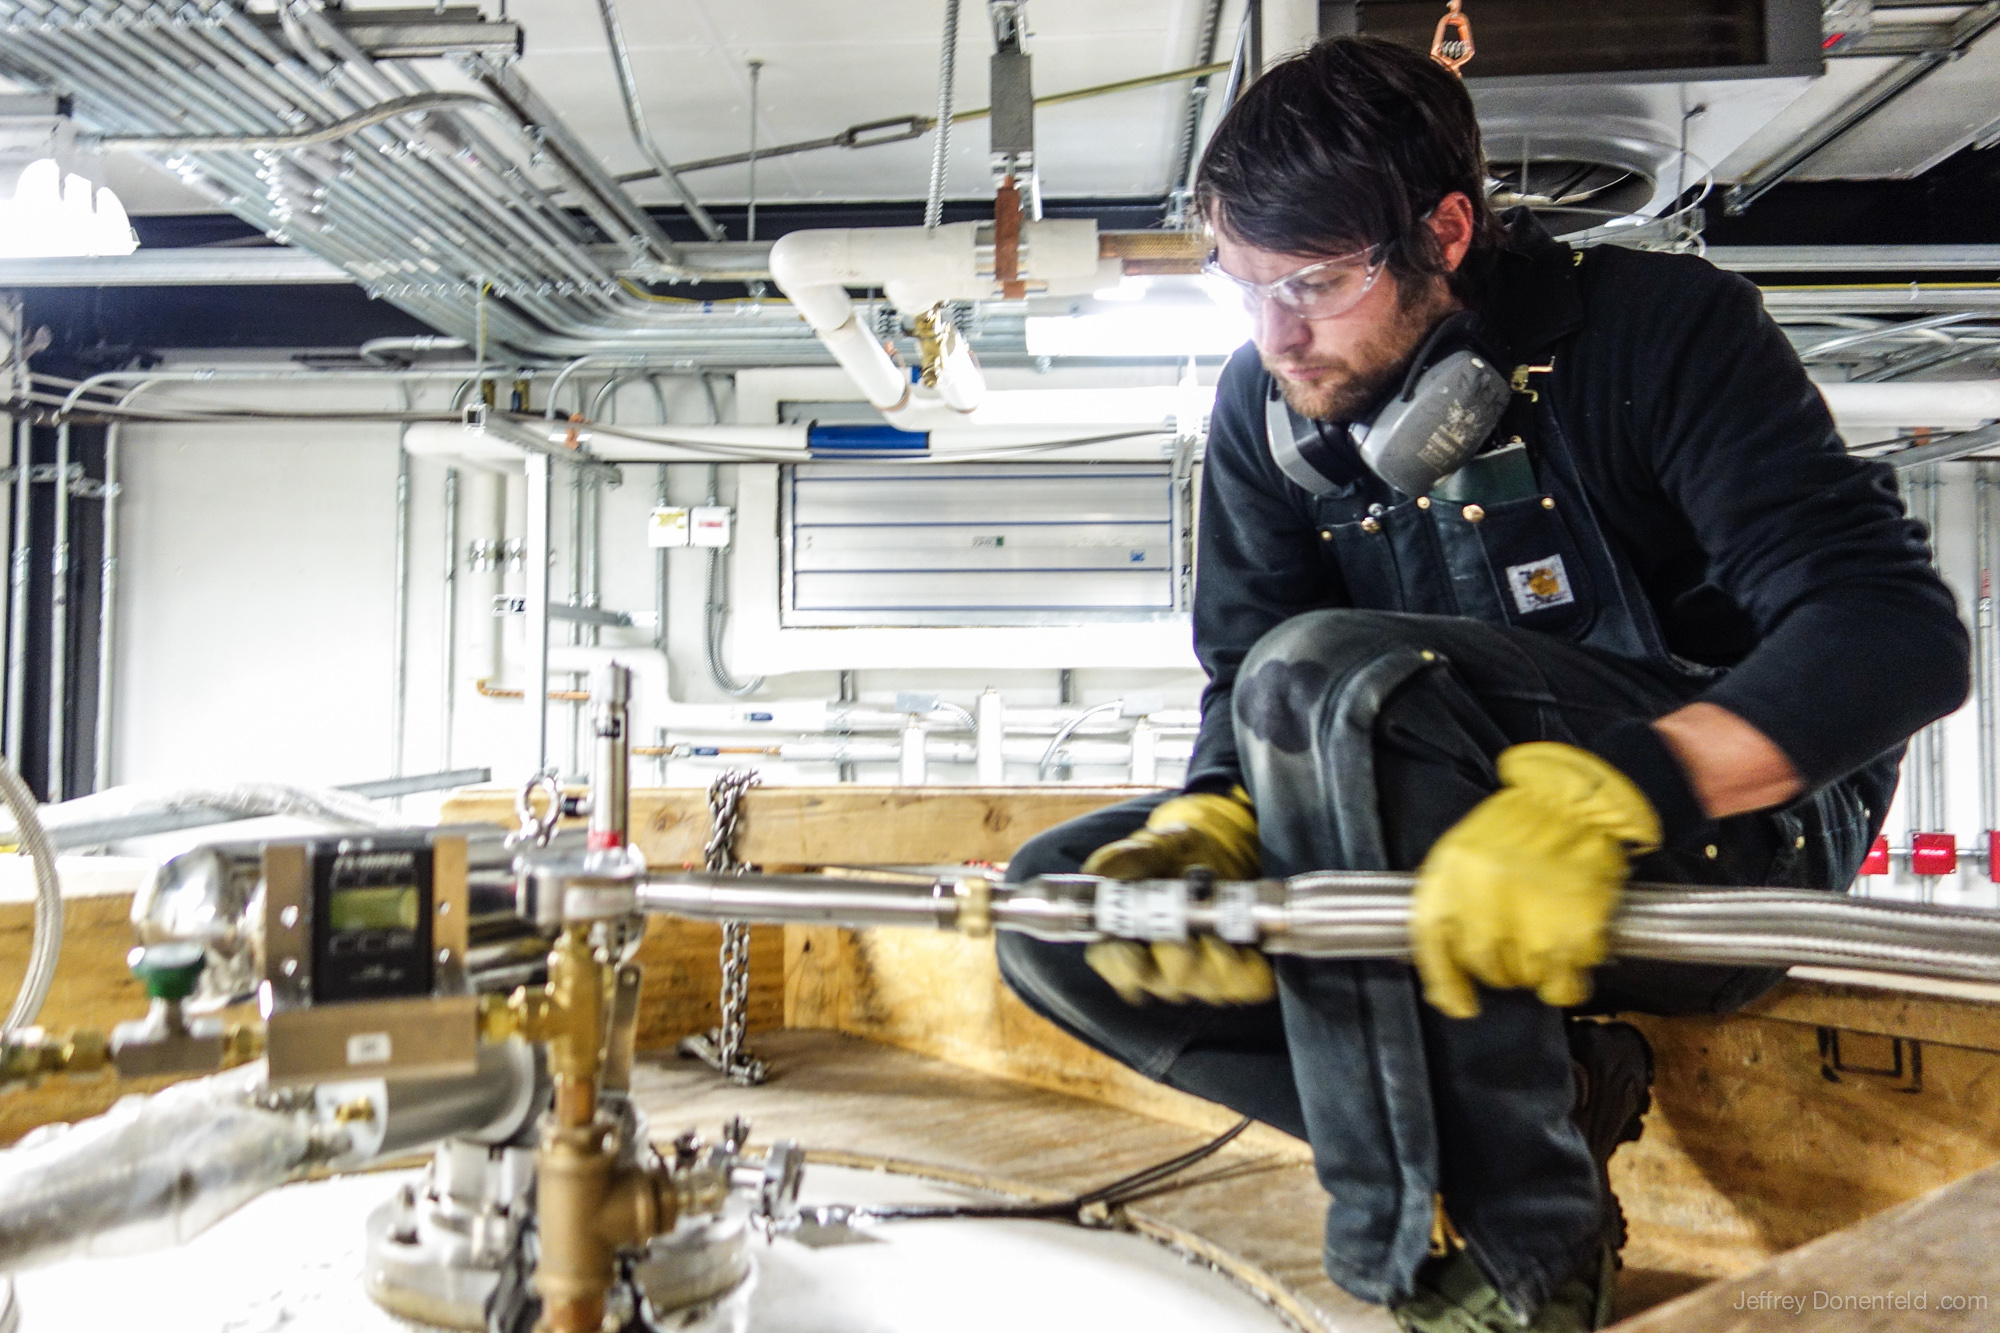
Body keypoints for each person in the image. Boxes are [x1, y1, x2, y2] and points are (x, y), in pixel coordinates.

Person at [996, 36, 1969, 1333]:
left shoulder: (1659, 333)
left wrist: (1619, 793)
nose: (1275, 333)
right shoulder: (1265, 408)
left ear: (1446, 231)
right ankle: (1544, 1096)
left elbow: (1895, 634)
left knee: (1331, 671)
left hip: (1720, 844)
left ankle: (1524, 1263)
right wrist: (1219, 812)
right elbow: (1245, 667)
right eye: (1243, 288)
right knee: (1061, 915)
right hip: (1415, 843)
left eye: (1317, 284)